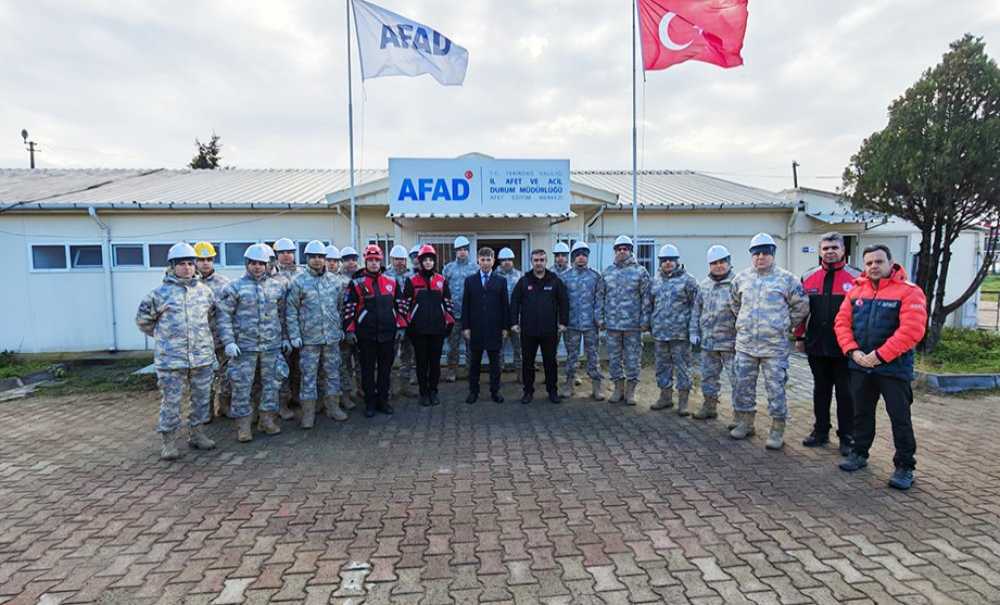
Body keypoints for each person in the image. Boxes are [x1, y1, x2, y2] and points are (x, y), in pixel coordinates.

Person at [835, 244, 926, 490]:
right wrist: (852, 351)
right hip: (860, 366)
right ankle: (859, 453)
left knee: (900, 418)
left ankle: (905, 466)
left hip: (894, 369)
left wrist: (879, 356)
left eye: (879, 261)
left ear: (890, 262)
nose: (874, 266)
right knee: (861, 413)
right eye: (869, 263)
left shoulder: (909, 292)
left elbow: (912, 330)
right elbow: (841, 323)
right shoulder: (856, 291)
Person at [135, 242, 217, 460]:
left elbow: (210, 318)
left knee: (201, 399)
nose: (187, 268)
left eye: (190, 263)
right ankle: (169, 441)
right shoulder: (158, 295)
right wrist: (167, 338)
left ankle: (197, 434)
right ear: (172, 266)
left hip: (201, 357)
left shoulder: (205, 292)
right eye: (182, 264)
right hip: (171, 359)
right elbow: (144, 321)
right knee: (171, 401)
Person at [730, 233, 810, 450]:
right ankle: (746, 423)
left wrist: (783, 324)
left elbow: (802, 306)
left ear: (773, 254)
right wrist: (745, 323)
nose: (760, 257)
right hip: (746, 345)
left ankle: (777, 429)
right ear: (751, 255)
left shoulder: (787, 279)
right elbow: (735, 304)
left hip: (774, 348)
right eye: (756, 253)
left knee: (775, 389)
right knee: (743, 387)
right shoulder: (741, 279)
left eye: (765, 253)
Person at [796, 232, 862, 455]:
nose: (830, 252)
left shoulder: (857, 277)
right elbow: (801, 311)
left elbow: (862, 313)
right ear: (819, 251)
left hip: (845, 347)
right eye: (825, 248)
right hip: (817, 344)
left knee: (845, 393)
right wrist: (800, 337)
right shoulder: (808, 277)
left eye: (834, 247)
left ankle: (847, 437)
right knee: (820, 390)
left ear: (843, 250)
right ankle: (820, 431)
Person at [216, 243, 290, 442]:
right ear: (247, 264)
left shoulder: (277, 287)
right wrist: (229, 341)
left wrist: (285, 338)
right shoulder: (234, 287)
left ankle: (267, 420)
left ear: (268, 265)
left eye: (261, 263)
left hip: (271, 346)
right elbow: (223, 317)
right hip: (244, 348)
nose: (257, 267)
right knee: (242, 387)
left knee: (271, 385)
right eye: (253, 263)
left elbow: (283, 315)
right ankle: (243, 426)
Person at [286, 240, 349, 428]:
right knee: (308, 376)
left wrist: (339, 328)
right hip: (309, 340)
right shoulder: (298, 281)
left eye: (320, 257)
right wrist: (294, 335)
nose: (317, 260)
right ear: (307, 258)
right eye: (313, 257)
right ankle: (308, 413)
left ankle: (333, 407)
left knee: (332, 374)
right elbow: (291, 310)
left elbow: (340, 307)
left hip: (331, 338)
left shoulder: (334, 281)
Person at [343, 244, 407, 417]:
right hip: (366, 336)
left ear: (381, 262)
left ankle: (383, 401)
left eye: (376, 260)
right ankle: (370, 403)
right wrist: (350, 330)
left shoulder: (391, 282)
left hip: (387, 334)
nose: (373, 263)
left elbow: (400, 306)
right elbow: (349, 308)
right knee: (367, 371)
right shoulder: (356, 283)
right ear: (365, 261)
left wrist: (401, 326)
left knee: (385, 370)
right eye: (370, 260)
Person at [511, 249, 570, 404]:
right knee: (528, 363)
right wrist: (514, 323)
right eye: (536, 260)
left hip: (549, 330)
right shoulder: (524, 281)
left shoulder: (554, 280)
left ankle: (552, 391)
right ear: (532, 262)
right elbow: (514, 302)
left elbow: (564, 302)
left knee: (550, 362)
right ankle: (528, 392)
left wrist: (563, 322)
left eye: (542, 260)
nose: (539, 263)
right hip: (528, 330)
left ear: (546, 261)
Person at [648, 244, 699, 415]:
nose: (668, 263)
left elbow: (696, 307)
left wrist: (694, 331)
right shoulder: (655, 281)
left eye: (671, 260)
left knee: (683, 368)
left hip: (680, 335)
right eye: (664, 260)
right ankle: (665, 397)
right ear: (660, 262)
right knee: (662, 367)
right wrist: (649, 324)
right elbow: (650, 305)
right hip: (660, 334)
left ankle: (683, 402)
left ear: (677, 261)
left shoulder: (688, 281)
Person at [689, 245, 738, 421]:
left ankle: (740, 416)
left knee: (737, 380)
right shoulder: (704, 285)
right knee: (708, 377)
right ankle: (709, 407)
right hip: (708, 343)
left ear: (728, 262)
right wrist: (694, 332)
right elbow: (696, 311)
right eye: (714, 263)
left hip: (731, 344)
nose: (718, 266)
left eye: (722, 262)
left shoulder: (737, 284)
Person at [403, 245, 455, 406]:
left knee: (435, 363)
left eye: (430, 260)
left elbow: (448, 304)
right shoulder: (412, 281)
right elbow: (405, 306)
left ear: (434, 262)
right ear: (420, 262)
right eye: (424, 260)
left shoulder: (441, 280)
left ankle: (433, 391)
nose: (427, 262)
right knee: (421, 363)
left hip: (437, 329)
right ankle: (423, 393)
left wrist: (449, 324)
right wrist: (409, 328)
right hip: (418, 330)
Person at [602, 234, 651, 405]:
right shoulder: (607, 272)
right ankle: (618, 388)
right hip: (612, 325)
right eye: (619, 249)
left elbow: (646, 298)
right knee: (614, 359)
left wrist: (645, 320)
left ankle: (631, 391)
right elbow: (601, 296)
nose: (622, 251)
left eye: (625, 249)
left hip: (633, 326)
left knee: (633, 359)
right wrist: (600, 318)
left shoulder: (640, 272)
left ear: (630, 251)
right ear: (615, 251)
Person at [461, 247, 510, 404]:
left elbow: (505, 306)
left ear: (493, 261)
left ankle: (495, 391)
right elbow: (465, 305)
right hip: (475, 329)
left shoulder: (501, 281)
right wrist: (466, 327)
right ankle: (473, 392)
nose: (486, 263)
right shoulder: (470, 281)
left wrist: (505, 327)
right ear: (478, 261)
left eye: (488, 259)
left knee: (495, 364)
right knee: (474, 363)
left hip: (495, 329)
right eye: (483, 260)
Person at [560, 241, 606, 400]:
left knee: (593, 356)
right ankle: (569, 385)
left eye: (584, 255)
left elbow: (599, 299)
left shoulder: (595, 276)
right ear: (573, 257)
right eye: (578, 255)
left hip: (591, 324)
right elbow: (561, 301)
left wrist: (599, 319)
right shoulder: (565, 277)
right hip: (572, 324)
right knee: (571, 356)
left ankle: (597, 387)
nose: (581, 258)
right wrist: (562, 321)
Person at [193, 241, 232, 421]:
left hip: (221, 337)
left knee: (227, 373)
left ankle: (225, 405)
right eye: (201, 260)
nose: (205, 263)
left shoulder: (224, 283)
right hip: (199, 340)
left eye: (208, 259)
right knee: (202, 376)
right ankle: (205, 410)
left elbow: (231, 309)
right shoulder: (189, 284)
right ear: (195, 261)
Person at [272, 237, 302, 421]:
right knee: (282, 369)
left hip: (302, 329)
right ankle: (282, 403)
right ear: (276, 255)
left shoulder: (302, 274)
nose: (286, 255)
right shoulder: (271, 276)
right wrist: (283, 335)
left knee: (300, 367)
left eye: (289, 252)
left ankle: (297, 396)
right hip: (279, 330)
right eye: (282, 252)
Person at [442, 236, 479, 382]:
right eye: (459, 250)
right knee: (453, 345)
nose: (462, 252)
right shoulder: (448, 268)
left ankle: (471, 370)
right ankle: (452, 370)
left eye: (464, 249)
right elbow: (443, 290)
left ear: (468, 251)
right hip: (453, 315)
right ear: (455, 251)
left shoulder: (475, 268)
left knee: (472, 345)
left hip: (471, 315)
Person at [385, 244, 416, 398]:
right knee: (389, 357)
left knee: (407, 356)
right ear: (391, 259)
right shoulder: (384, 276)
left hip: (409, 322)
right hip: (391, 322)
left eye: (402, 259)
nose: (399, 262)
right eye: (396, 259)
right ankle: (389, 389)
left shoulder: (412, 276)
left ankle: (405, 386)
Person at [338, 246, 361, 411]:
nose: (351, 262)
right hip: (343, 328)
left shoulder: (363, 277)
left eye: (353, 259)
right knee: (344, 364)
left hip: (362, 328)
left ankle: (362, 389)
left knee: (362, 362)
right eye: (347, 260)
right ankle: (345, 394)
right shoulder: (335, 280)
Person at [495, 247, 523, 381]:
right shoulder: (493, 276)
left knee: (520, 348)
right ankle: (497, 375)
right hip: (500, 319)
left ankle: (521, 374)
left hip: (517, 319)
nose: (507, 262)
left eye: (509, 259)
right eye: (504, 259)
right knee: (498, 349)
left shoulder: (520, 276)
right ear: (499, 261)